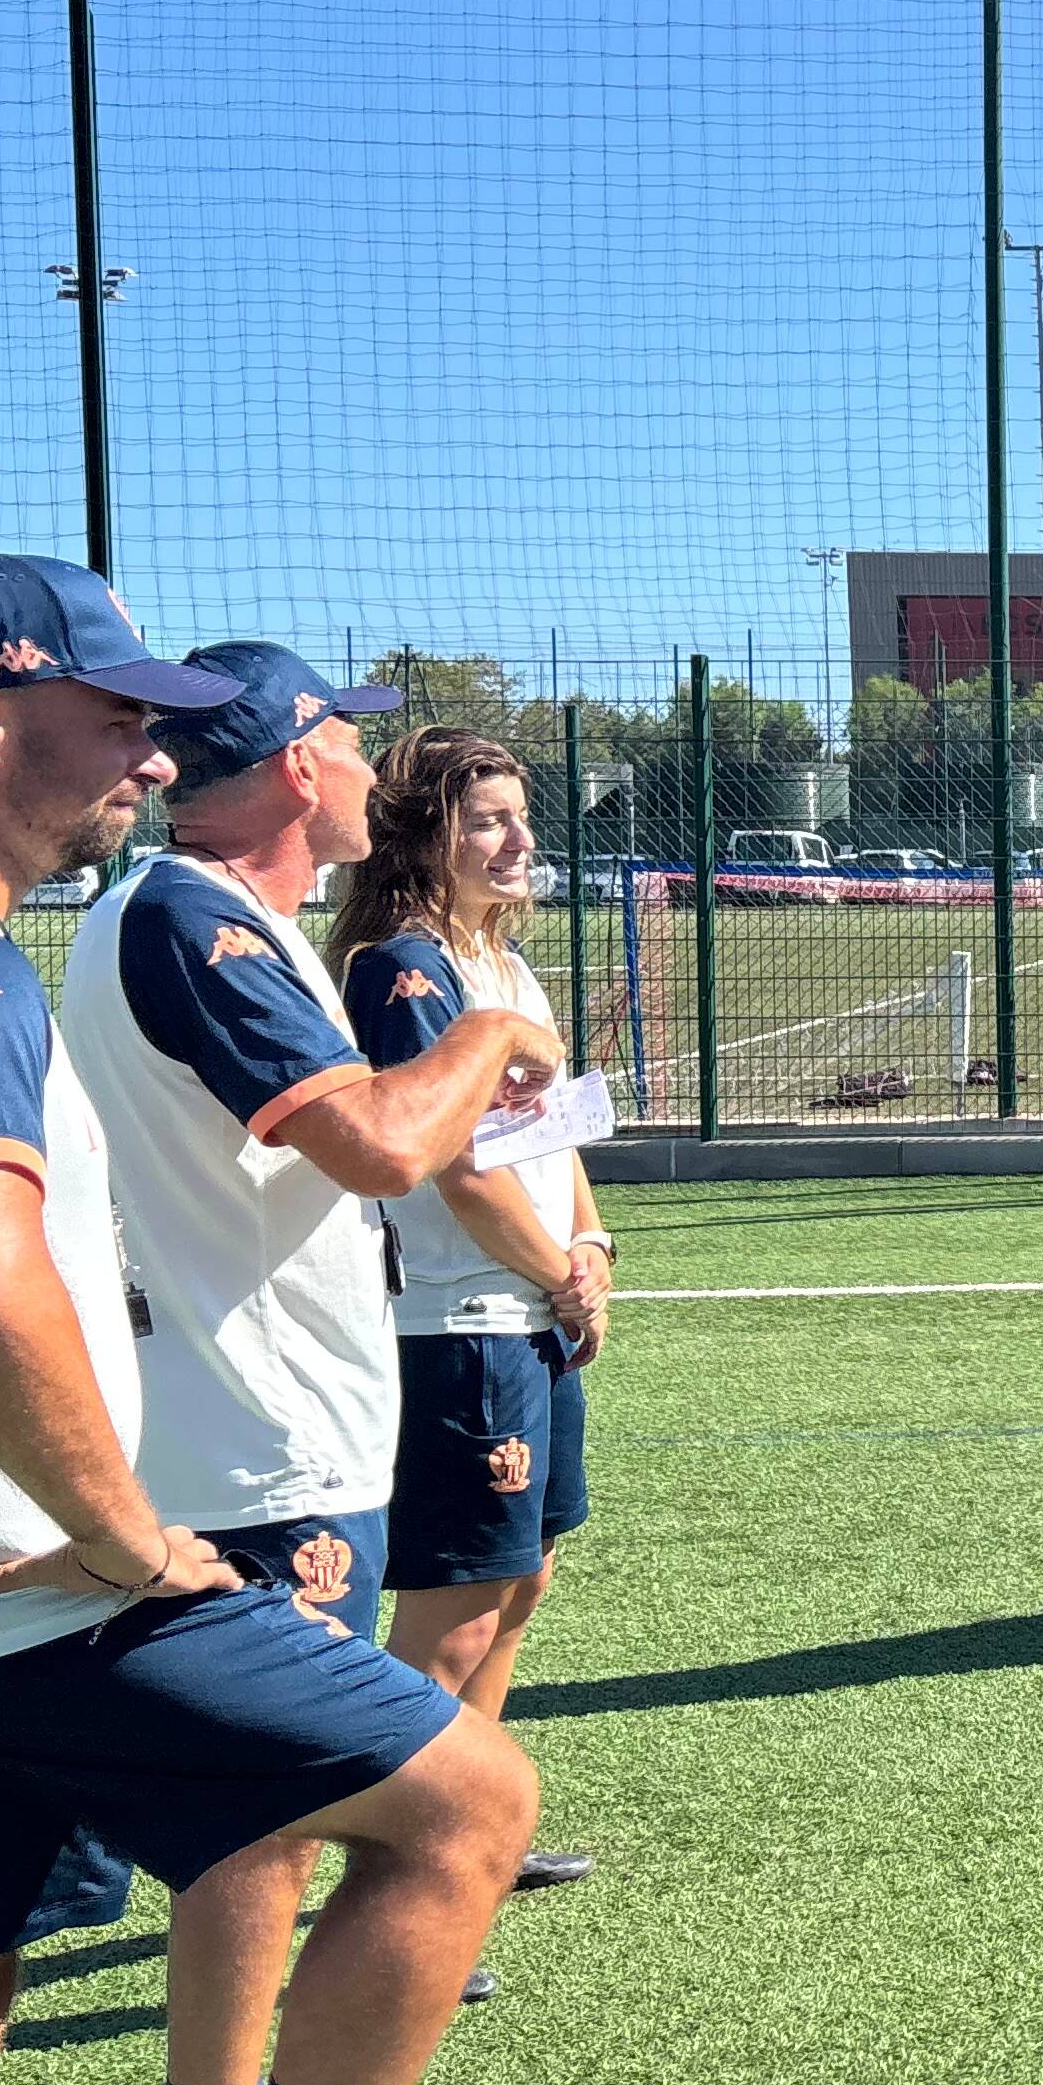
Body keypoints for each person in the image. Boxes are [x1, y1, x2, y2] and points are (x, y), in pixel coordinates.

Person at [0, 557, 544, 2085]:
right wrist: (121, 1532)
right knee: (462, 1805)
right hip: (32, 1590)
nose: (141, 741)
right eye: (108, 708)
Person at [62, 642, 579, 2085]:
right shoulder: (190, 911)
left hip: (274, 1428)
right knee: (297, 1823)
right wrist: (493, 1026)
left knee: (262, 1827)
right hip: (257, 1440)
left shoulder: (200, 914)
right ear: (298, 761)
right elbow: (374, 1135)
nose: (374, 767)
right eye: (350, 736)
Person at [330, 728, 618, 1843]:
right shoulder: (405, 970)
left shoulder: (501, 960)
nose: (517, 840)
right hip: (459, 1324)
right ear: (423, 836)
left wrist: (592, 1248)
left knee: (523, 1581)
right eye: (487, 820)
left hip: (532, 1313)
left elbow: (553, 1136)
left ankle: (468, 1832)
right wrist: (558, 1276)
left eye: (519, 816)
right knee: (450, 1616)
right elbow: (452, 1170)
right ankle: (387, 1860)